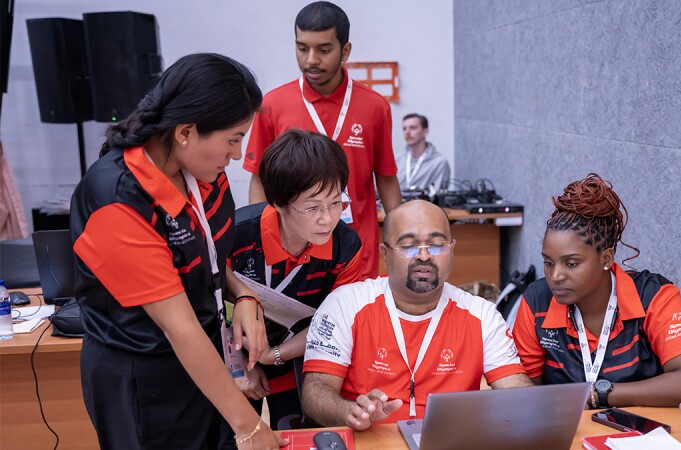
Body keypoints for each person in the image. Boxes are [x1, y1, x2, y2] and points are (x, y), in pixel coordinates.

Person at [70, 53, 286, 449]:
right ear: (186, 131)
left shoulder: (205, 174)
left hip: (206, 363)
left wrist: (248, 298)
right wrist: (250, 428)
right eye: (234, 139)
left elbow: (213, 264)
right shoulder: (116, 199)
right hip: (147, 378)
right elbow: (178, 327)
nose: (237, 155)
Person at [301, 200, 531, 430]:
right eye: (409, 246)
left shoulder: (482, 315)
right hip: (368, 441)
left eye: (436, 244)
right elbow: (315, 391)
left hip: (449, 442)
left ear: (452, 248)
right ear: (385, 253)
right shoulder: (346, 304)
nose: (424, 256)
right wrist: (349, 412)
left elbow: (517, 393)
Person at [512, 173, 681, 408]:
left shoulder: (653, 296)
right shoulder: (537, 301)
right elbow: (523, 394)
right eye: (548, 262)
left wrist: (599, 394)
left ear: (606, 258)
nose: (555, 276)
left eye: (571, 264)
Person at [219, 129, 363, 445]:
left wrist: (273, 356)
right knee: (228, 437)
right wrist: (239, 363)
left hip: (299, 355)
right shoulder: (236, 235)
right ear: (279, 204)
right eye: (313, 207)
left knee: (300, 435)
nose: (328, 219)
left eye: (336, 202)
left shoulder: (345, 245)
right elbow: (208, 308)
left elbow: (337, 323)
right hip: (229, 353)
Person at [243, 1, 402, 280]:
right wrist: (261, 242)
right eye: (302, 48)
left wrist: (402, 240)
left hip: (356, 249)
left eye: (324, 50)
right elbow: (259, 178)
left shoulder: (375, 107)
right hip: (291, 250)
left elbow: (386, 179)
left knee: (351, 322)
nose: (311, 60)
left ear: (345, 51)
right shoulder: (274, 104)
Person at [395, 113, 450, 192]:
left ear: (425, 132)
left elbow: (438, 196)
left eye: (412, 128)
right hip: (398, 204)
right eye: (404, 129)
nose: (407, 132)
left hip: (424, 204)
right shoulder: (397, 160)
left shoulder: (439, 163)